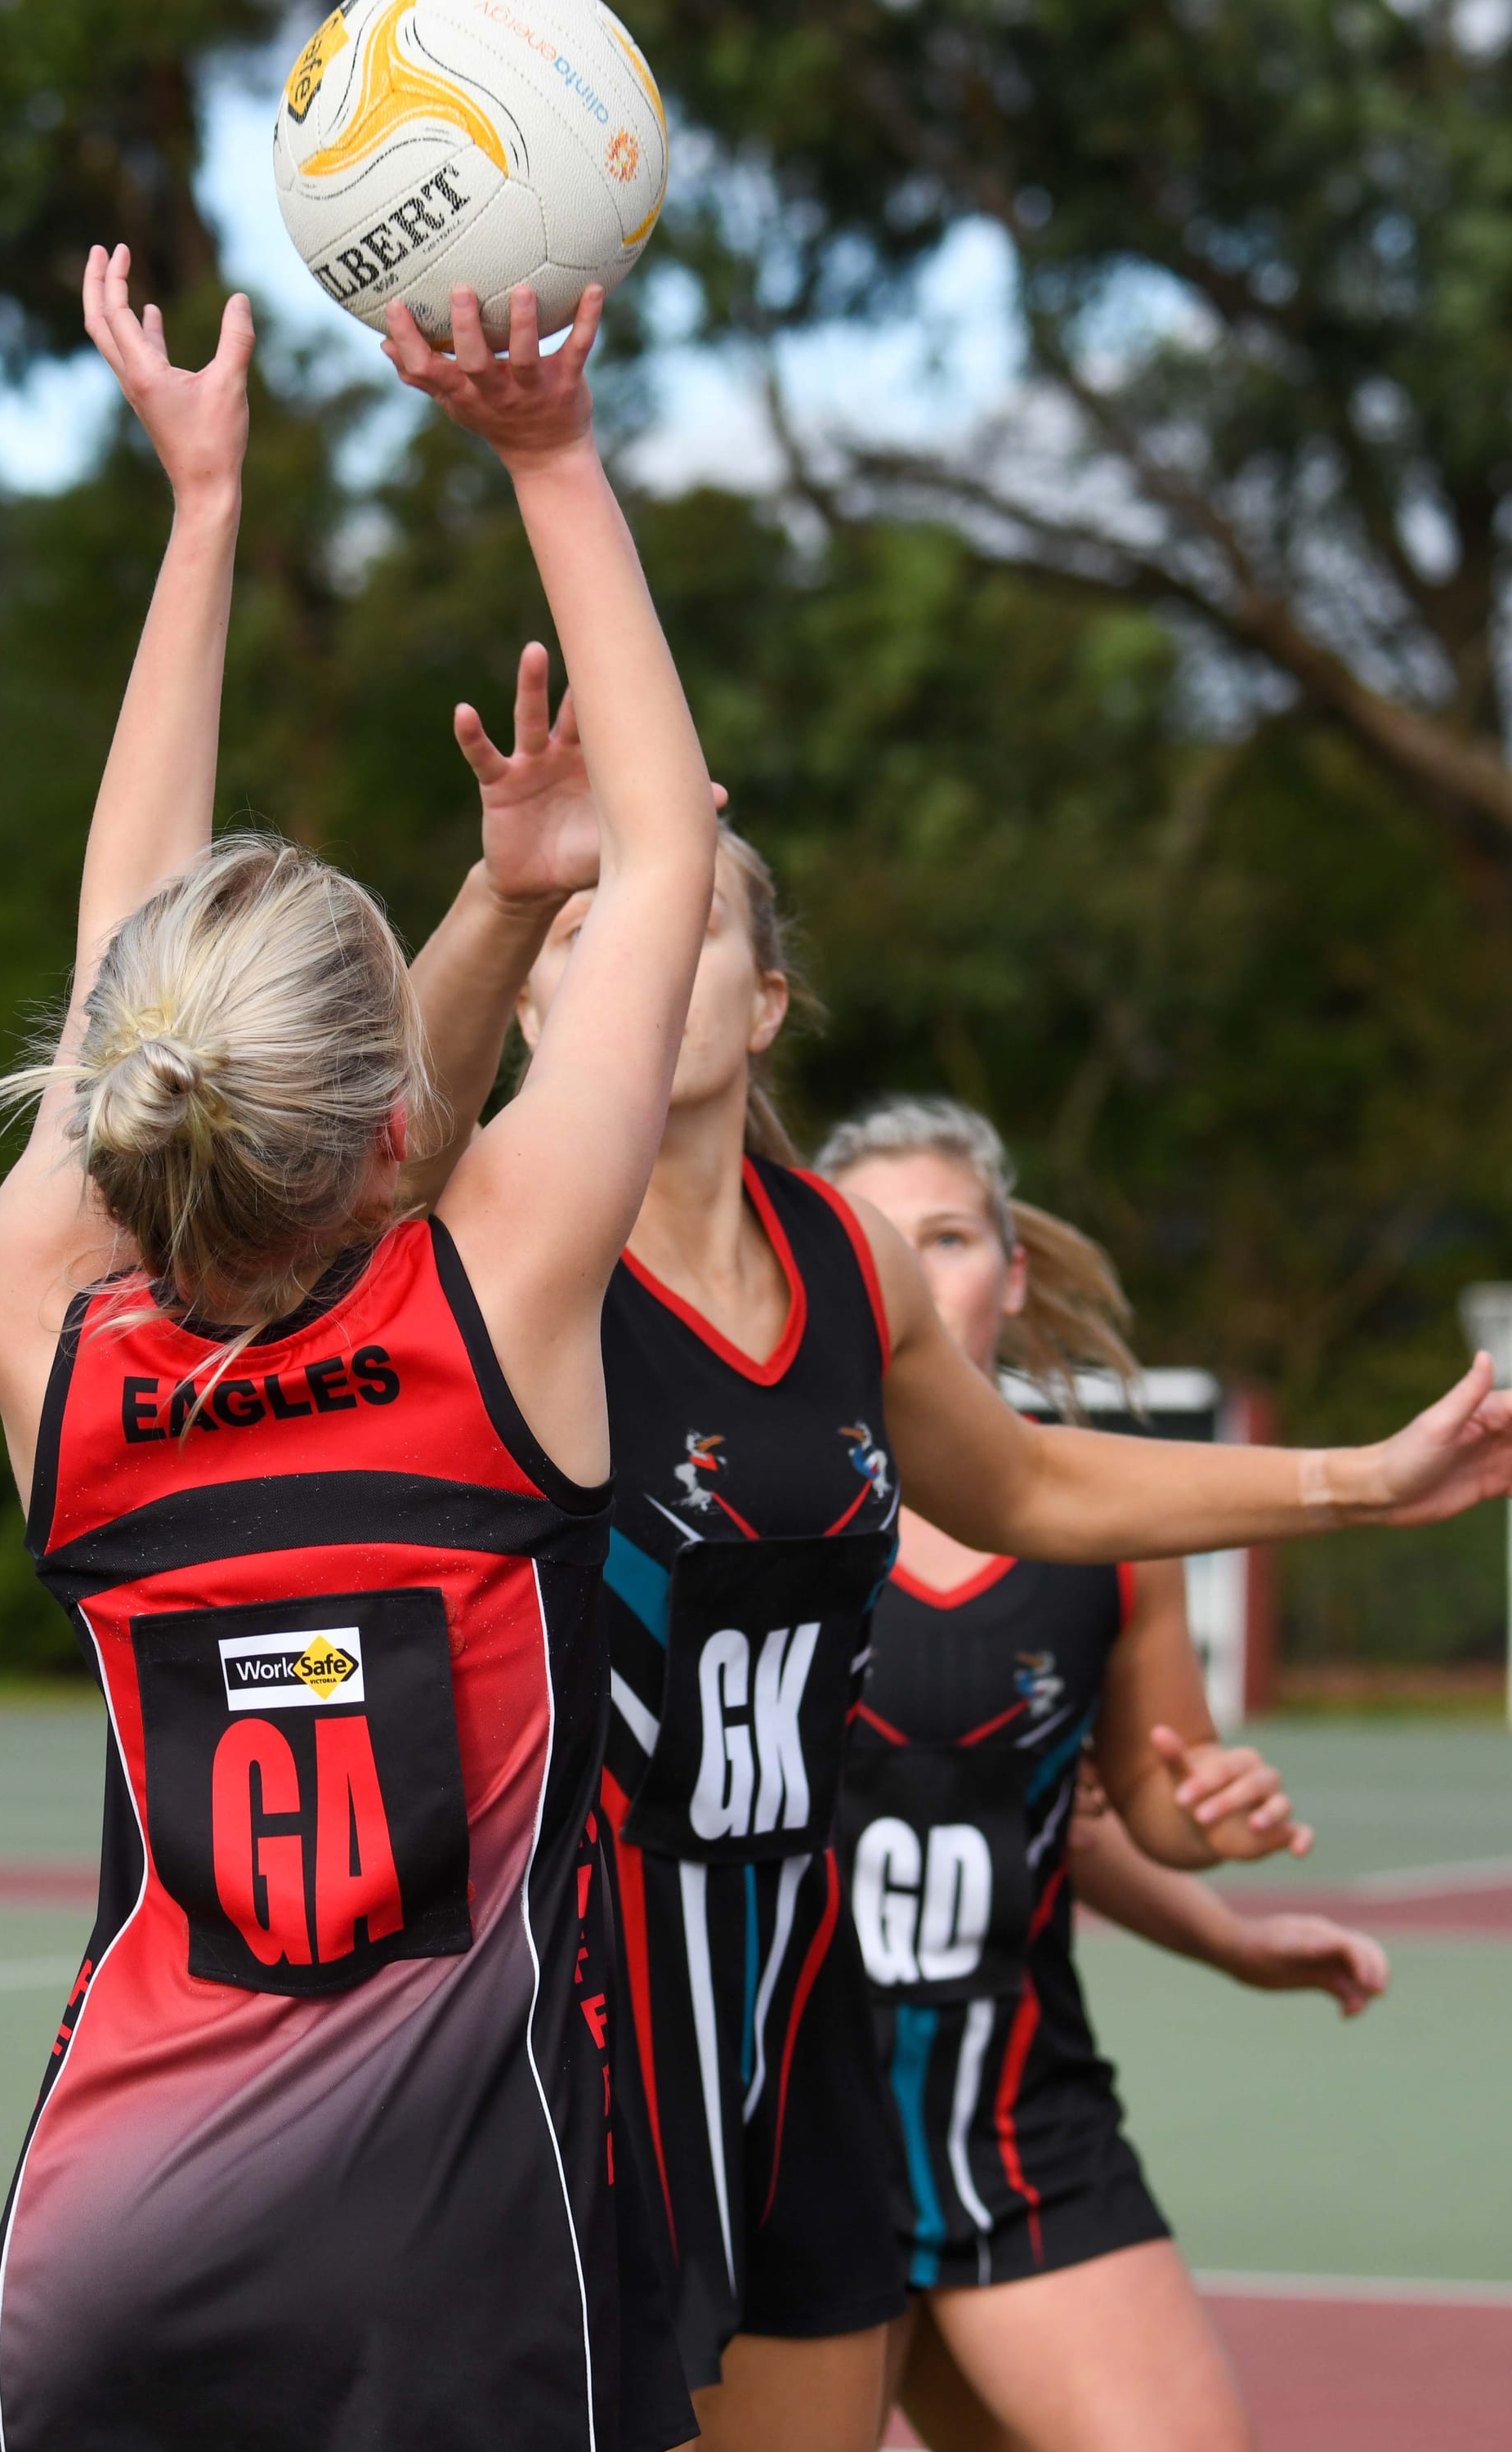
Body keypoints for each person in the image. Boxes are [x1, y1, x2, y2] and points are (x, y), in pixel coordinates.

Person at [366, 602, 1512, 2452]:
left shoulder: (841, 1260)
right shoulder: (491, 1239)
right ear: (533, 1003)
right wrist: (508, 898)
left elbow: (1038, 1484)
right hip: (554, 2008)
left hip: (787, 2003)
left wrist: (1359, 1484)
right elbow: (385, 1138)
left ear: (759, 1002)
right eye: (588, 938)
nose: (633, 964)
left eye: (677, 926)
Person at [0, 249, 716, 2452]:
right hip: (452, 2277)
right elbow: (667, 844)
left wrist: (204, 506)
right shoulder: (490, 1324)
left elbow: (124, 972)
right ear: (406, 1127)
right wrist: (551, 454)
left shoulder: (61, 1360)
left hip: (111, 2251)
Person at [819, 1094, 1388, 2452]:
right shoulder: (752, 1510)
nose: (919, 1266)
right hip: (787, 2145)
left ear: (1011, 1277)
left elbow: (1115, 1815)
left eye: (952, 1236)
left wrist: (1215, 1876)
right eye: (882, 1239)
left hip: (1026, 2137)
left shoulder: (1113, 1543)